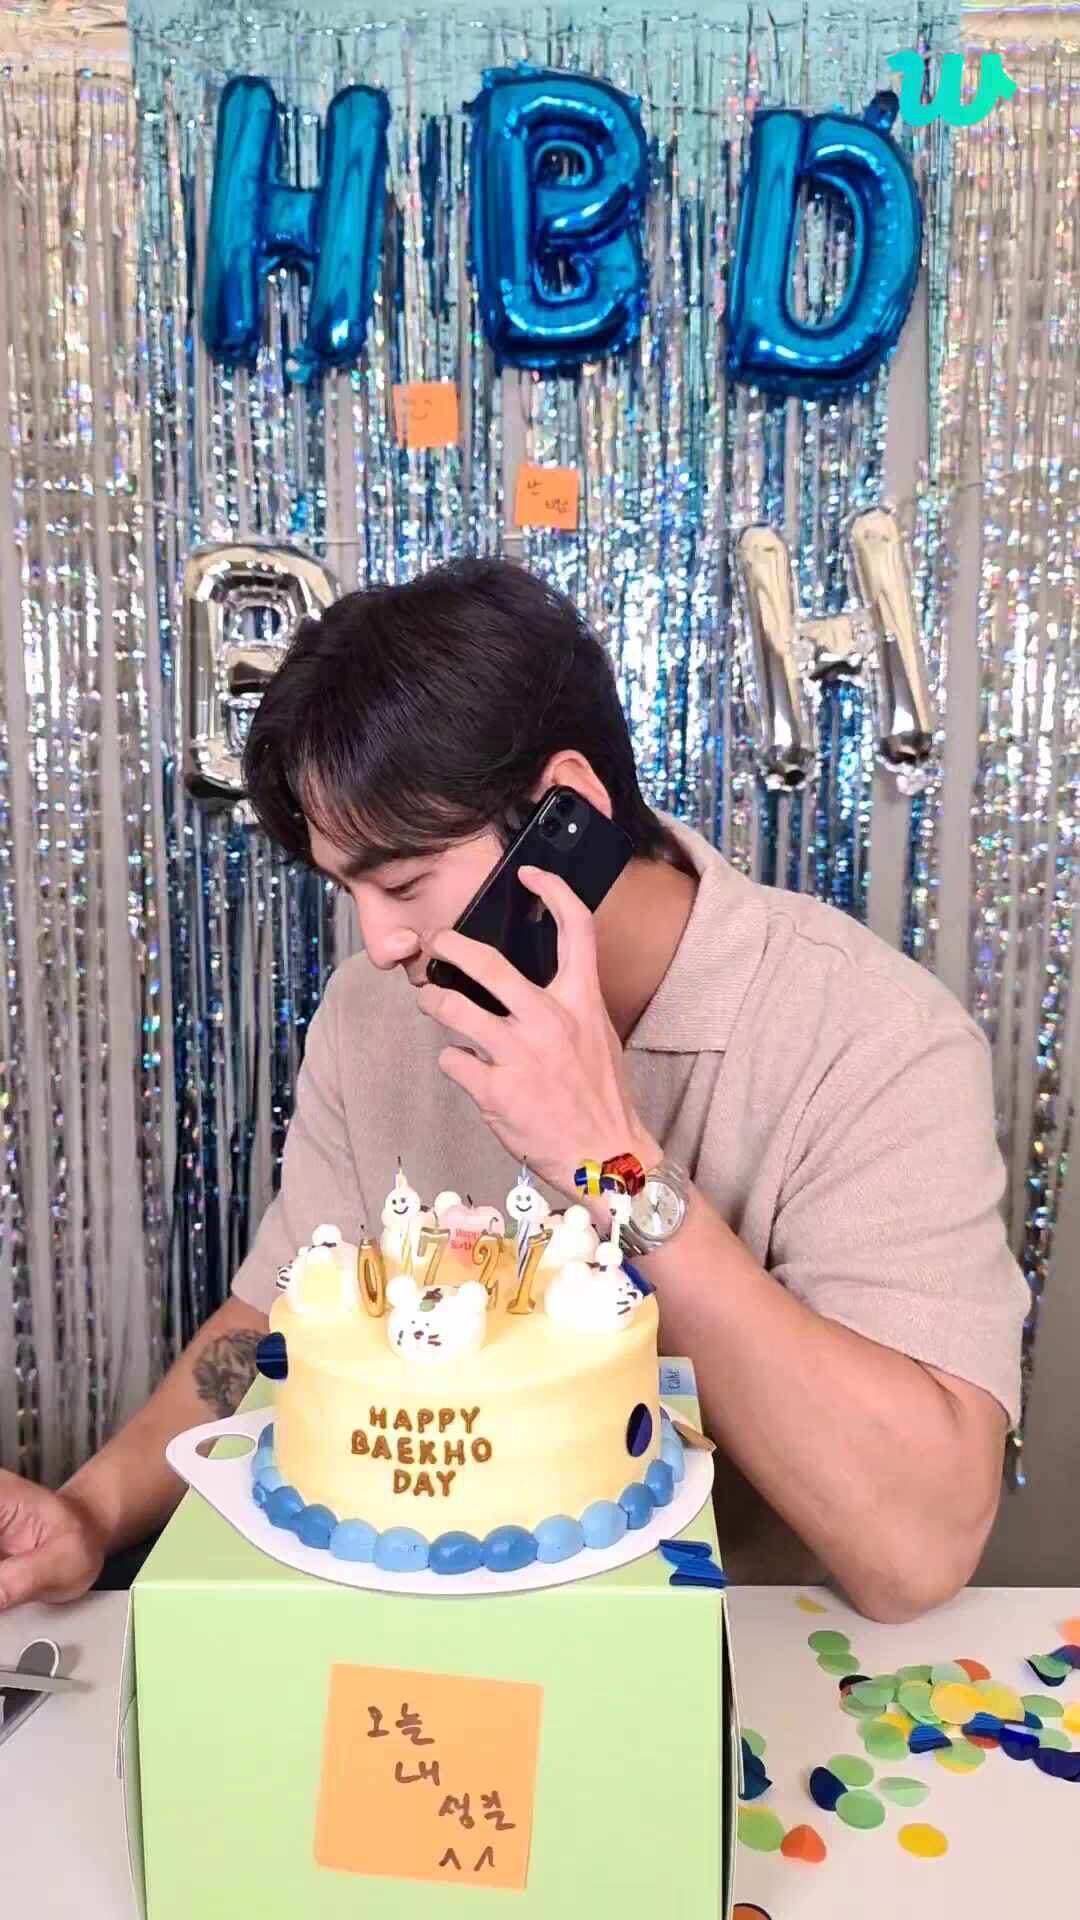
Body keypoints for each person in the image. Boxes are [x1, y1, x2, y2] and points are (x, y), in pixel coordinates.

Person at [0, 559, 1028, 1621]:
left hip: (733, 1661)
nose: (380, 941)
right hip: (408, 1642)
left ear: (564, 810)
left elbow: (916, 1554)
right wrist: (90, 1512)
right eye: (348, 888)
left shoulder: (873, 1033)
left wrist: (614, 1168)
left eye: (404, 880)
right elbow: (274, 1318)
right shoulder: (372, 1011)